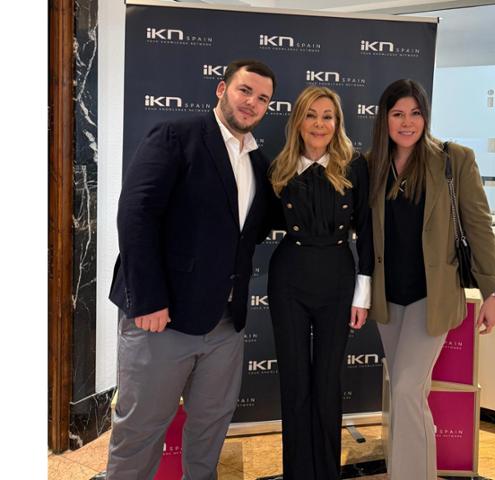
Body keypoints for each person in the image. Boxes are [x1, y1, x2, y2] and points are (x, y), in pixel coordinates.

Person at [106, 59, 277, 479]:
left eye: (262, 98)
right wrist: (148, 299)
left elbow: (249, 233)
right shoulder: (175, 136)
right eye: (244, 90)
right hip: (161, 320)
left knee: (210, 428)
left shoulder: (259, 162)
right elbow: (136, 215)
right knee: (141, 429)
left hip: (225, 325)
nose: (252, 102)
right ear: (222, 89)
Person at [366, 79, 495, 480]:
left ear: (426, 116)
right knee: (408, 395)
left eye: (415, 113)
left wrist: (493, 291)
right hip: (388, 298)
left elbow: (478, 225)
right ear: (385, 119)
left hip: (433, 297)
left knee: (407, 390)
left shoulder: (453, 160)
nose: (407, 122)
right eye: (397, 114)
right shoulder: (372, 164)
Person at [267, 86, 373, 479]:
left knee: (328, 383)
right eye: (311, 115)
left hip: (338, 281)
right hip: (288, 281)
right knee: (295, 383)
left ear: (337, 122)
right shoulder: (279, 167)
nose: (319, 124)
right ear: (298, 121)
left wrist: (363, 294)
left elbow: (368, 232)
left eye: (327, 116)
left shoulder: (354, 167)